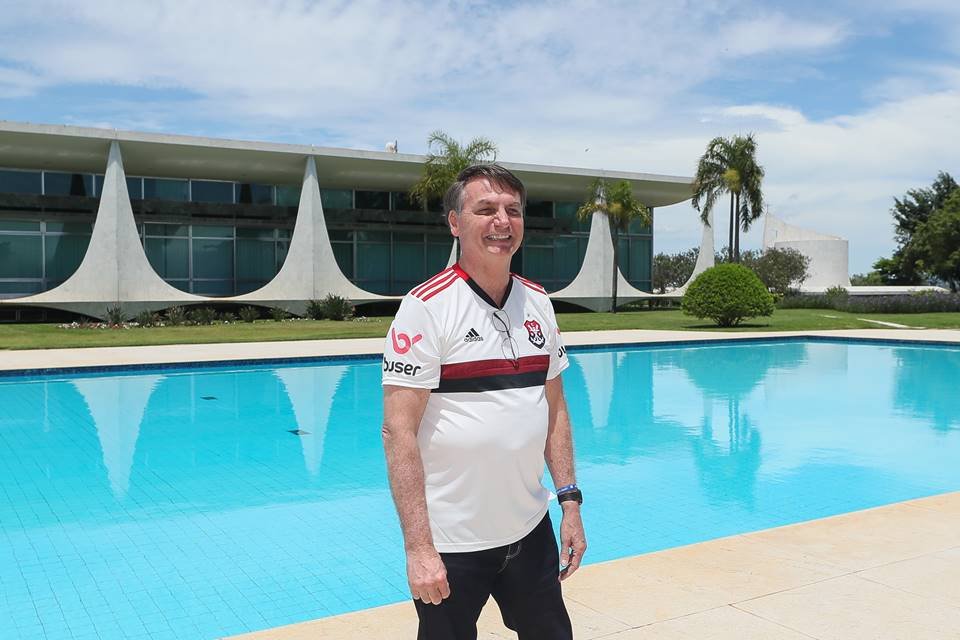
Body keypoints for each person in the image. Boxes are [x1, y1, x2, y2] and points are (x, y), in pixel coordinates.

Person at [381, 163, 586, 639]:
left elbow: (554, 409)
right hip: (453, 543)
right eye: (486, 209)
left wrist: (570, 502)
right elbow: (397, 432)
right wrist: (419, 548)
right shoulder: (426, 308)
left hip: (529, 530)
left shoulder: (538, 301)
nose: (502, 222)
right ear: (455, 222)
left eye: (513, 210)